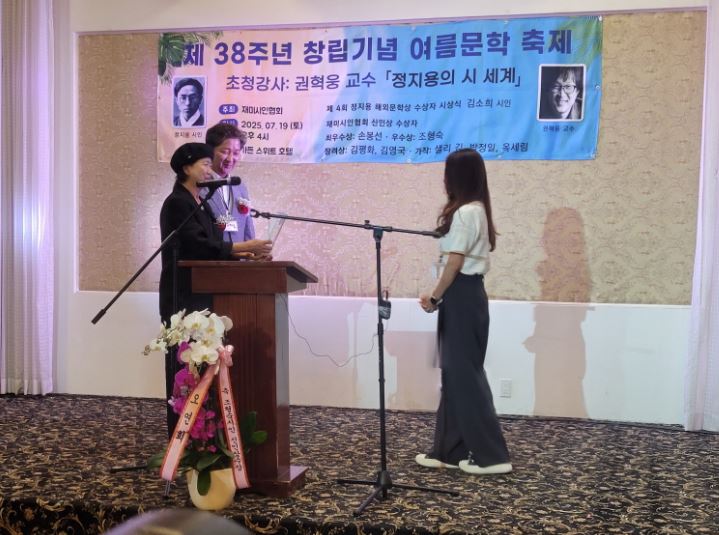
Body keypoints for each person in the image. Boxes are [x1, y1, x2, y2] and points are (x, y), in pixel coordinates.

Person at [158, 142, 271, 436]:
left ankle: (203, 434)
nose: (211, 170)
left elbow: (214, 246)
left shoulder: (201, 202)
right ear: (186, 168)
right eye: (205, 164)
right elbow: (198, 246)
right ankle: (180, 436)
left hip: (204, 293)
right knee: (184, 368)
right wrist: (242, 247)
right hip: (182, 294)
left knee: (205, 365)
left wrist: (247, 255)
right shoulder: (177, 203)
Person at [416, 148, 512, 475]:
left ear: (456, 177)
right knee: (454, 374)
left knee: (465, 376)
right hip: (465, 295)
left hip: (462, 294)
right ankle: (448, 450)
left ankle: (492, 456)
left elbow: (454, 262)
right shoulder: (476, 210)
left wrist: (434, 297)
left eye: (447, 174)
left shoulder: (467, 212)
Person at [204, 123, 270, 259]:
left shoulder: (239, 186)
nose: (230, 159)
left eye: (235, 153)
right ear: (210, 151)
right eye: (225, 152)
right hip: (210, 262)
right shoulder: (200, 186)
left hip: (238, 264)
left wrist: (255, 254)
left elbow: (247, 227)